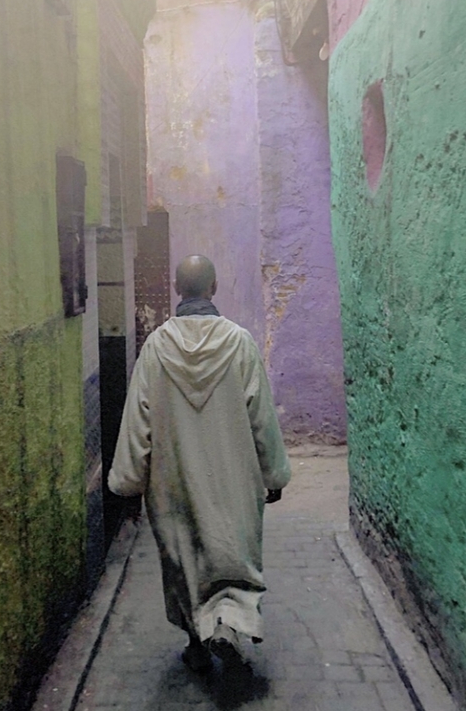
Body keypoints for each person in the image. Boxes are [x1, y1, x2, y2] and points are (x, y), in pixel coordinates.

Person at [108, 254, 291, 672]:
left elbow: (138, 419)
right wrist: (273, 473)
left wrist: (129, 483)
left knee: (185, 559)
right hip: (234, 478)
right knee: (231, 553)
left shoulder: (156, 347)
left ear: (176, 289)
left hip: (174, 481)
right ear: (213, 288)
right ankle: (226, 624)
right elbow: (260, 415)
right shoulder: (240, 343)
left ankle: (197, 637)